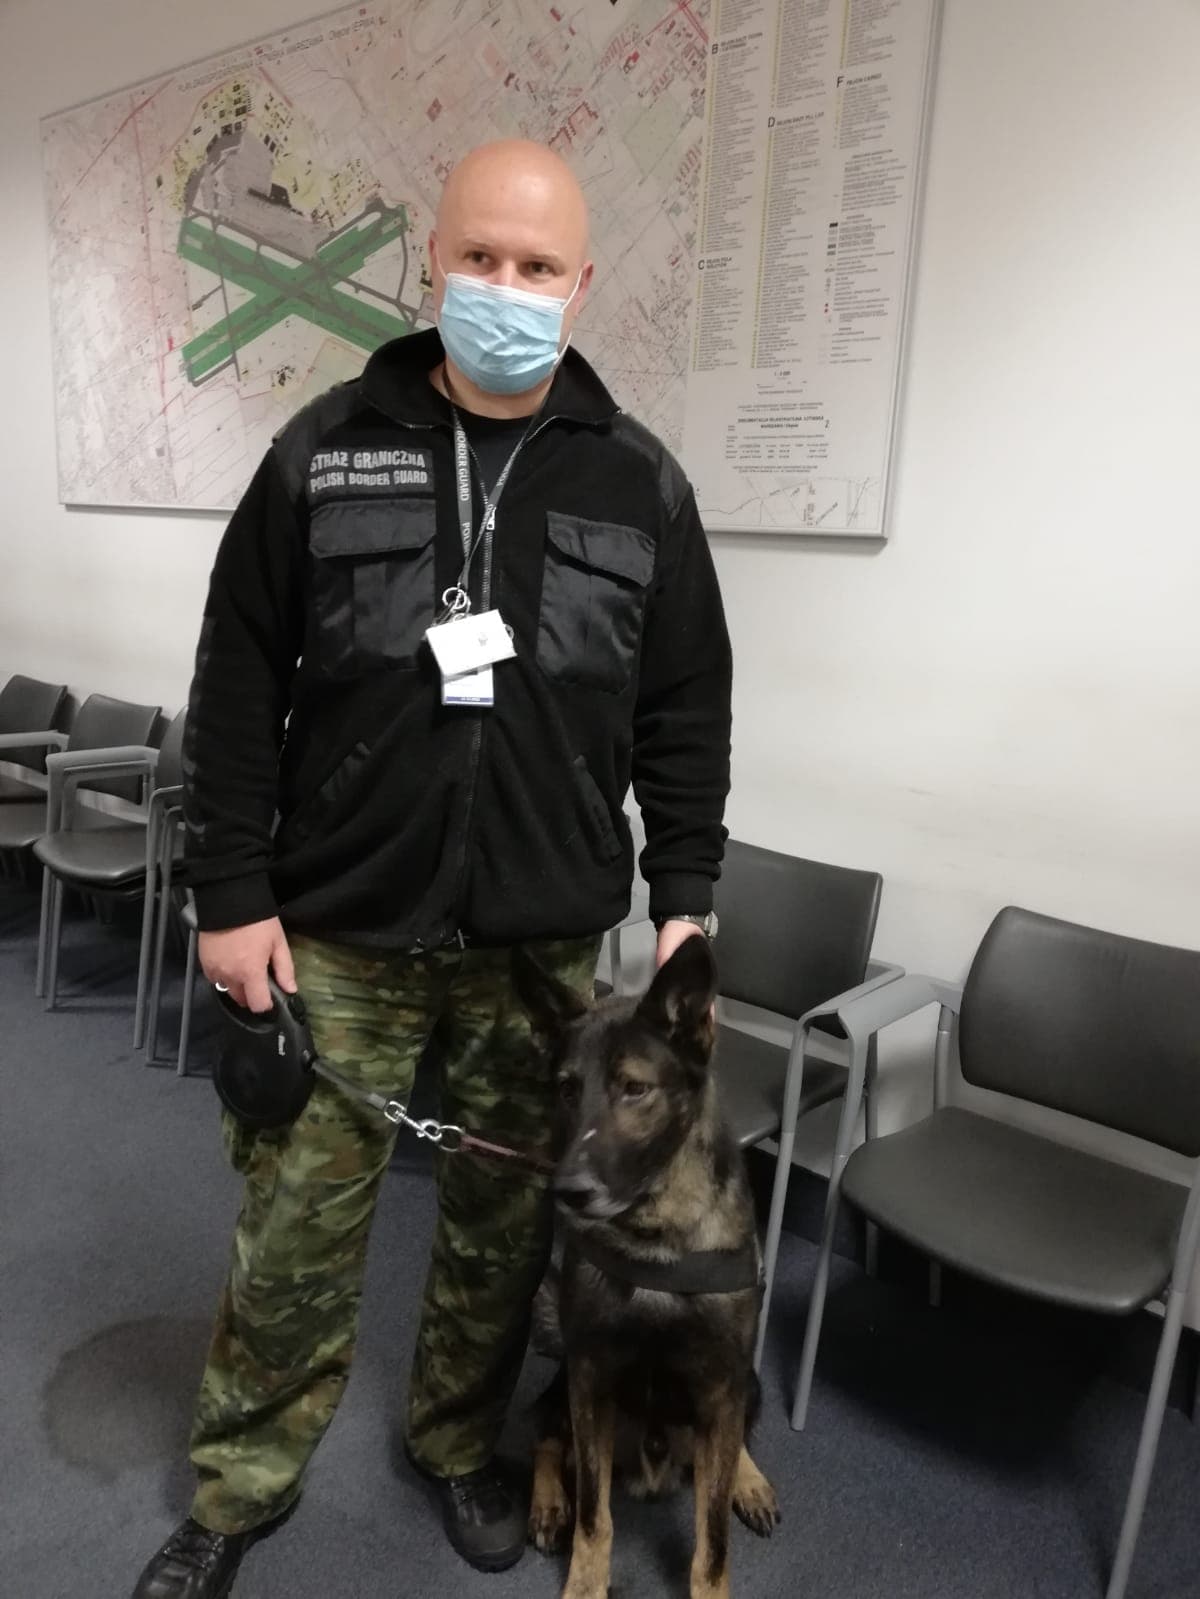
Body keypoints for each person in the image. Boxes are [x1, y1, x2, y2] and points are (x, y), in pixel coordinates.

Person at [132, 139, 732, 1597]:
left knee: (505, 1231)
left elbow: (685, 708)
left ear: (581, 284)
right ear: (433, 261)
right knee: (294, 1228)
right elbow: (236, 682)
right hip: (340, 929)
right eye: (481, 258)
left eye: (538, 267)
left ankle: (459, 1445)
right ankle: (239, 1488)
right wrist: (230, 892)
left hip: (544, 954)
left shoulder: (638, 483)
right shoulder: (326, 448)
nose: (506, 288)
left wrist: (685, 899)